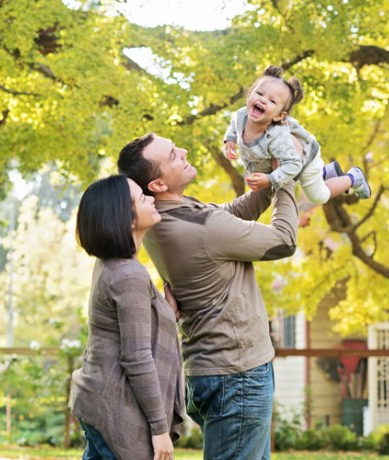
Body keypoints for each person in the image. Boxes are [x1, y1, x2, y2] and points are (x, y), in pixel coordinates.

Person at [118, 134, 298, 460]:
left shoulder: (165, 215)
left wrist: (271, 178)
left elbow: (231, 214)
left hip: (216, 370)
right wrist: (286, 176)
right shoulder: (199, 228)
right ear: (157, 184)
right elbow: (284, 240)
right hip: (237, 375)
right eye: (173, 155)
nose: (183, 150)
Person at [69, 175, 185, 460]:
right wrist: (159, 430)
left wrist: (165, 313)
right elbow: (136, 356)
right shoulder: (128, 275)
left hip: (100, 402)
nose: (150, 197)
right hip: (117, 411)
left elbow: (127, 328)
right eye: (140, 197)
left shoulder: (113, 266)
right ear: (127, 219)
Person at [224, 65, 371, 202]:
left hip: (304, 160)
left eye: (272, 101)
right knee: (312, 182)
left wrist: (271, 179)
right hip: (287, 157)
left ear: (279, 116)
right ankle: (328, 172)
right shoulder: (241, 115)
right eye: (260, 93)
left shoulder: (275, 137)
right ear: (249, 94)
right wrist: (230, 139)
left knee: (318, 197)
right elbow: (234, 125)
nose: (263, 100)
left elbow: (294, 164)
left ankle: (353, 178)